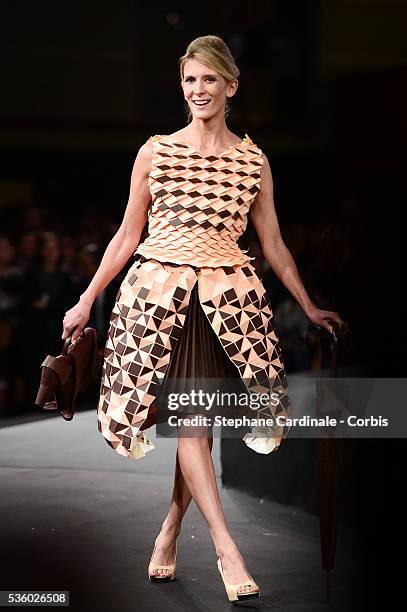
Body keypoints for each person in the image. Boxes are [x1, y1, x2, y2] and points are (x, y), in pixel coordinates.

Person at [62, 35, 348, 603]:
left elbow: (274, 243)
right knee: (193, 425)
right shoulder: (157, 152)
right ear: (182, 86)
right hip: (160, 299)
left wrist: (309, 304)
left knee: (202, 427)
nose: (199, 90)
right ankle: (225, 547)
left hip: (229, 302)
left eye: (210, 80)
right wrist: (87, 296)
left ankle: (169, 532)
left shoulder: (253, 160)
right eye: (190, 80)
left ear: (230, 87)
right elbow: (127, 235)